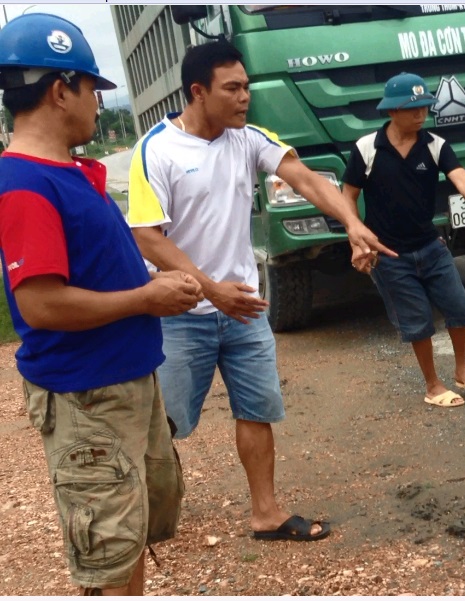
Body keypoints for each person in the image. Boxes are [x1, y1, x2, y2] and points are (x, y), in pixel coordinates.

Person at [126, 41, 392, 542]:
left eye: (246, 86)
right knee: (166, 423)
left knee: (256, 408)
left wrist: (352, 223)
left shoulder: (247, 138)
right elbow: (146, 235)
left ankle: (265, 513)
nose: (245, 96)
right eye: (233, 88)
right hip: (180, 311)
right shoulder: (156, 149)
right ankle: (143, 512)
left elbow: (307, 180)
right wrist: (209, 289)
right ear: (198, 92)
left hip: (244, 309)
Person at [0, 13, 203, 594]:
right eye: (93, 89)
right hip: (88, 400)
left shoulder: (69, 174)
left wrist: (147, 283)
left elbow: (84, 269)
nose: (96, 104)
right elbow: (40, 305)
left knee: (132, 533)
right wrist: (146, 296)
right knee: (107, 560)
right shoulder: (24, 185)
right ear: (61, 89)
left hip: (125, 383)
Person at [341, 72, 465, 409]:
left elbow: (461, 177)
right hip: (389, 254)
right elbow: (348, 196)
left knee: (459, 308)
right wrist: (356, 239)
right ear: (391, 111)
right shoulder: (366, 149)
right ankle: (433, 385)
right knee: (417, 321)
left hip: (432, 246)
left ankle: (462, 371)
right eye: (413, 108)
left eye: (424, 107)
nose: (421, 114)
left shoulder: (435, 145)